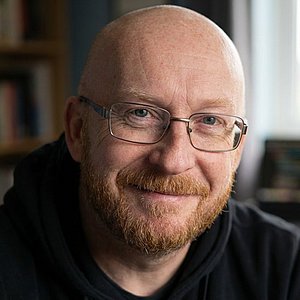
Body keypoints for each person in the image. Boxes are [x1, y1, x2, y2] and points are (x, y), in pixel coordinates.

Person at [0, 5, 299, 299]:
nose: (174, 160)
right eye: (140, 114)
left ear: (236, 151)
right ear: (78, 130)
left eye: (210, 120)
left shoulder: (286, 267)